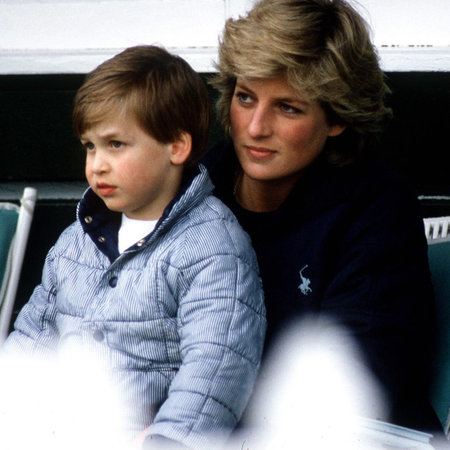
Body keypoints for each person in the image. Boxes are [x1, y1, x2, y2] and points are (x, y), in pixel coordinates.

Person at [1, 45, 266, 450]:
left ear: (176, 147)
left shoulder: (212, 246)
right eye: (90, 146)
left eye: (116, 145)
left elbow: (217, 364)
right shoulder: (76, 241)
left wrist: (169, 440)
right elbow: (33, 338)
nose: (97, 164)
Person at [203, 0, 440, 438]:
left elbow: (353, 380)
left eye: (287, 108)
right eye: (245, 97)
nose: (255, 127)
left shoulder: (376, 208)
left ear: (335, 117)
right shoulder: (194, 189)